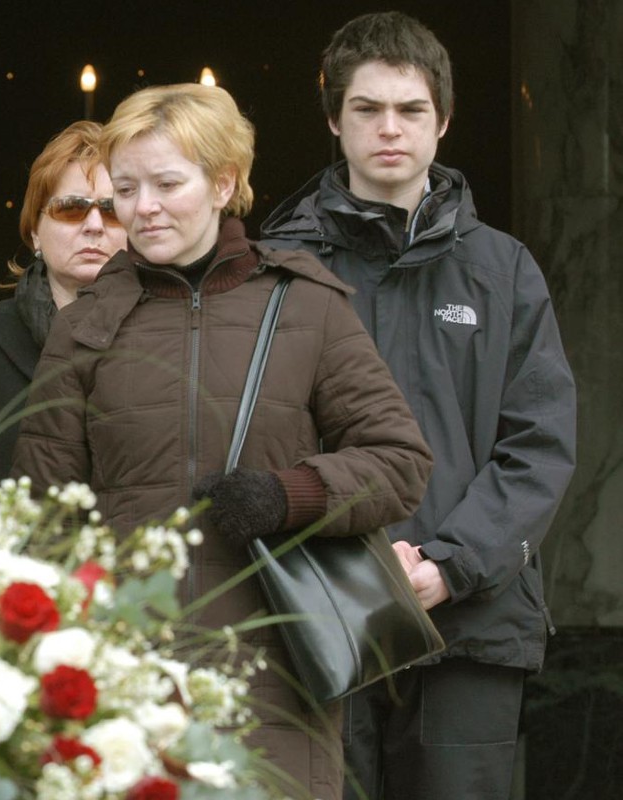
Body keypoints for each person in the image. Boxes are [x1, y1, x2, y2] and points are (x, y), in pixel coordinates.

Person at [13, 84, 433, 799]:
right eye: (126, 189)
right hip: (127, 683)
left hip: (274, 676)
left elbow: (400, 462)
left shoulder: (305, 304)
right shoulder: (84, 325)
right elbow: (44, 519)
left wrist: (287, 495)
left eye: (166, 184)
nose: (142, 208)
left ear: (223, 183)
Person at [261, 12, 577, 799]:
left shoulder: (503, 270)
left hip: (470, 622)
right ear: (334, 119)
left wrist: (450, 565)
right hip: (318, 613)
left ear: (443, 119)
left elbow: (539, 443)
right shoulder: (278, 268)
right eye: (367, 109)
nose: (389, 129)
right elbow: (256, 439)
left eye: (410, 109)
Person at [0, 120, 126, 477]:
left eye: (112, 210)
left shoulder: (168, 336)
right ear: (34, 232)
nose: (94, 225)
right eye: (71, 208)